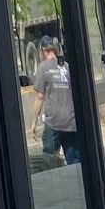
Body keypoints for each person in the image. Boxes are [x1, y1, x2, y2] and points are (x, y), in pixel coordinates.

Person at [30, 36, 80, 164]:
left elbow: (40, 97)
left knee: (48, 160)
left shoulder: (43, 67)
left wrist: (33, 123)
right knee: (74, 161)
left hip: (53, 121)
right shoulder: (67, 66)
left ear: (43, 51)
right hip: (71, 121)